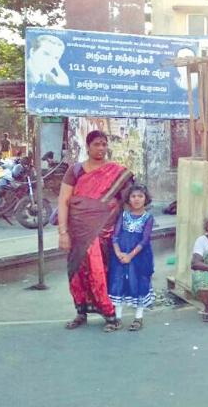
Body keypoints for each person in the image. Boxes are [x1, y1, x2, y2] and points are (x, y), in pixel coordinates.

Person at [57, 130, 134, 332]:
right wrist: (63, 233)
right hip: (78, 231)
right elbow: (64, 201)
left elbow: (132, 200)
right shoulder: (75, 171)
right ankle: (80, 312)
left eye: (103, 144)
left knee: (101, 271)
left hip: (105, 232)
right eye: (97, 144)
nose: (101, 148)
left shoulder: (117, 172)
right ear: (88, 146)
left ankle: (111, 315)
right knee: (77, 272)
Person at [108, 184, 155, 332]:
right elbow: (115, 236)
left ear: (145, 199)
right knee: (118, 283)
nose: (137, 199)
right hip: (120, 256)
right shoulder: (123, 215)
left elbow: (144, 240)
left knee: (139, 283)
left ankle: (138, 318)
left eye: (140, 196)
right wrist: (118, 253)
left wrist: (130, 256)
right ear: (128, 198)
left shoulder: (148, 218)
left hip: (139, 257)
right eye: (133, 196)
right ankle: (118, 318)